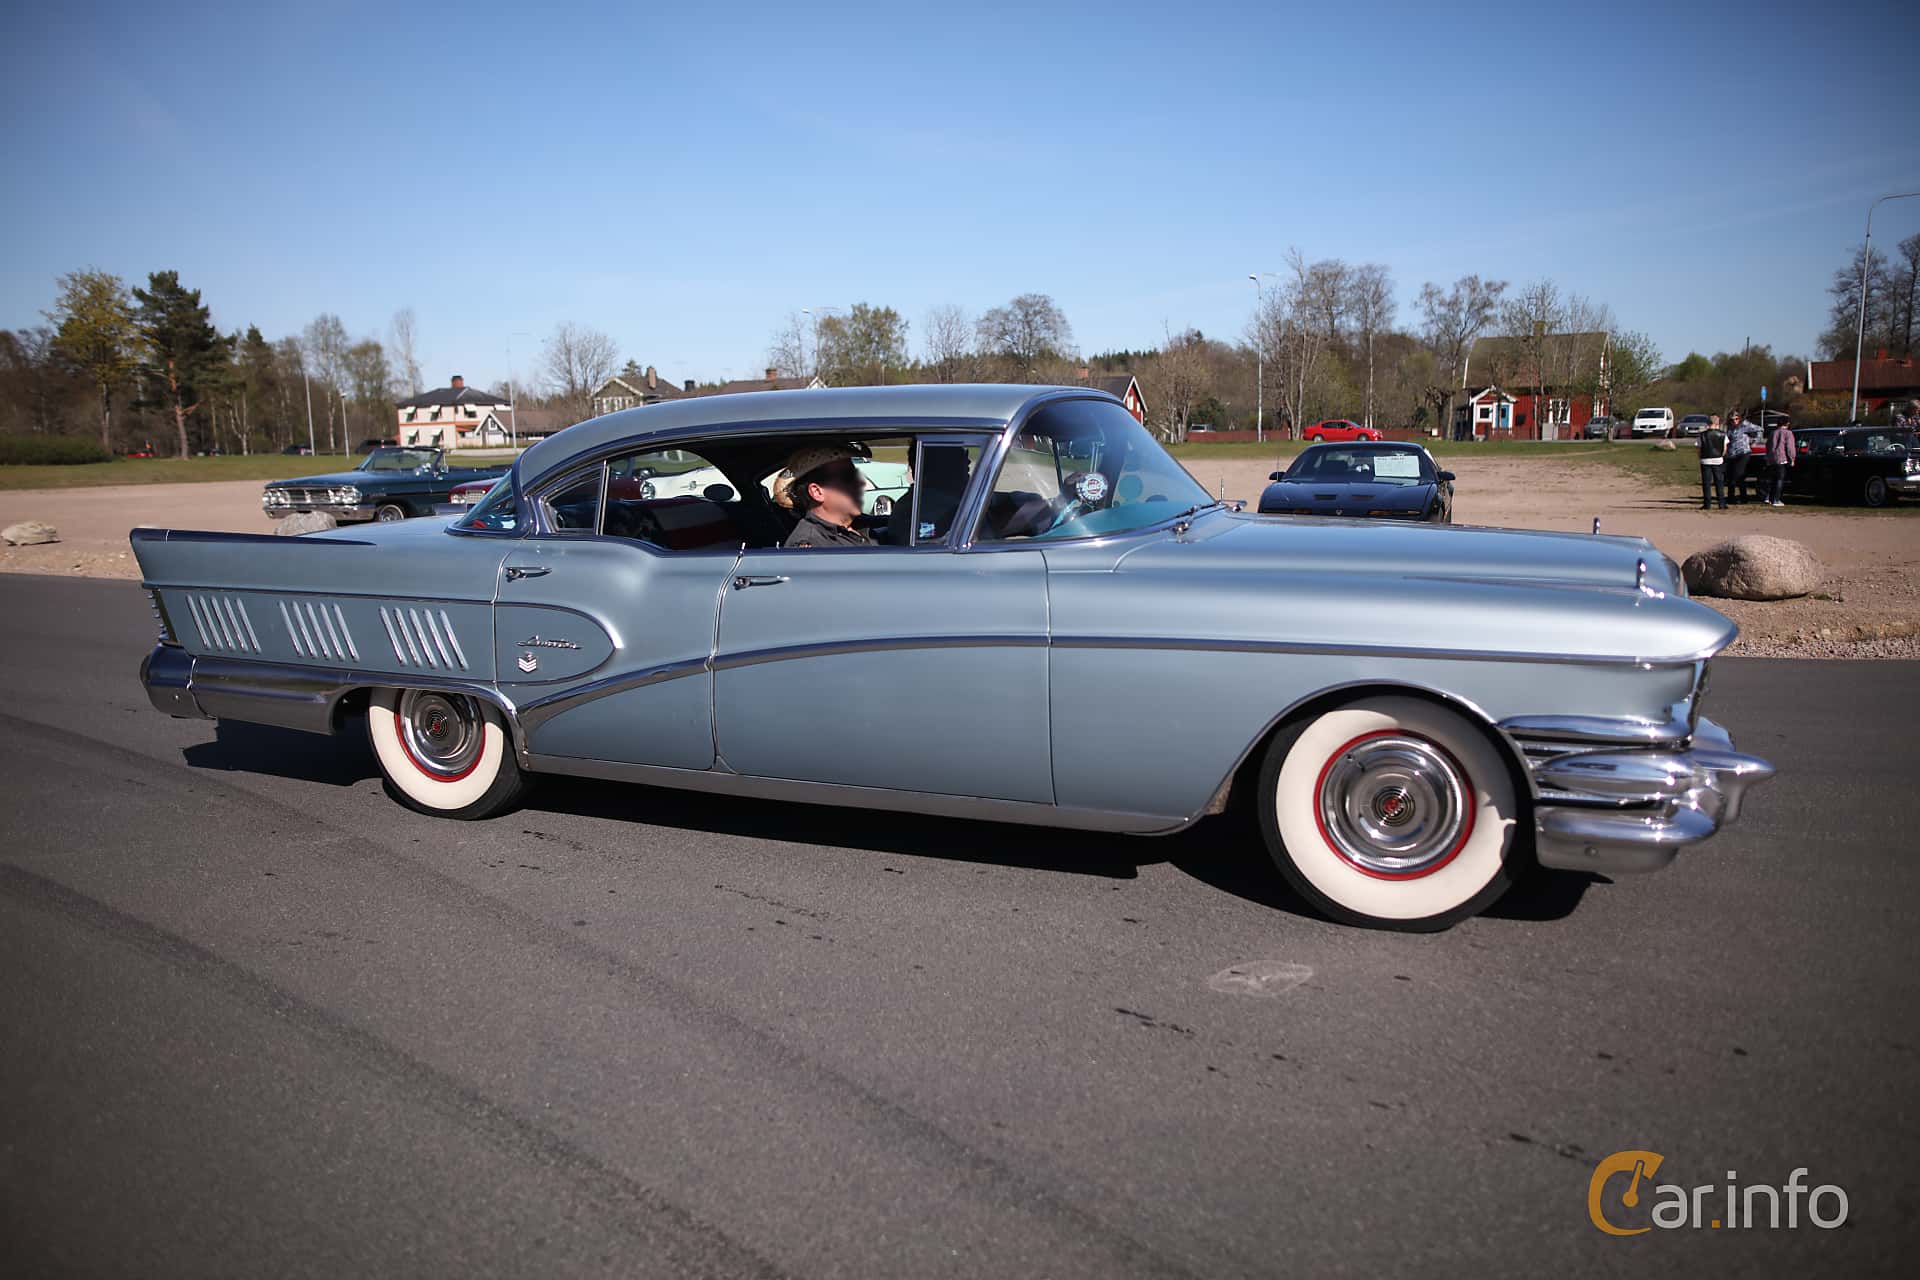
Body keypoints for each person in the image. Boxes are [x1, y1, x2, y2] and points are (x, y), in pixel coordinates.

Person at [775, 444, 872, 547]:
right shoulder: (812, 546)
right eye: (848, 477)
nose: (861, 483)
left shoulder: (857, 524)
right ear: (817, 492)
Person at [1725, 409, 1757, 504]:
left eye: (1736, 419)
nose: (1734, 421)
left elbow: (1759, 429)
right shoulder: (1729, 428)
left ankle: (1743, 497)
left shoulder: (1745, 425)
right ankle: (1732, 497)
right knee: (1731, 476)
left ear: (1739, 418)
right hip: (1731, 454)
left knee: (1738, 474)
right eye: (1732, 419)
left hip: (1743, 453)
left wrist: (1754, 441)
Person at [1698, 413, 1728, 510]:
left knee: (1706, 483)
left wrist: (1701, 456)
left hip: (1705, 460)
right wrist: (1721, 456)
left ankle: (1707, 504)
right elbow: (1725, 449)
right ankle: (1721, 503)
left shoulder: (1702, 435)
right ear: (1717, 423)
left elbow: (1699, 448)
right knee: (1719, 482)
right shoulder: (1723, 434)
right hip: (1718, 460)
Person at [1766, 415, 1796, 507]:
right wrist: (1792, 458)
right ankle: (1776, 499)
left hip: (1772, 458)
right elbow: (1790, 447)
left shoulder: (1773, 433)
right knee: (1780, 479)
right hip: (1782, 458)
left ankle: (1769, 498)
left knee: (1773, 479)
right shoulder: (1788, 433)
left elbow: (1768, 445)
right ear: (1787, 423)